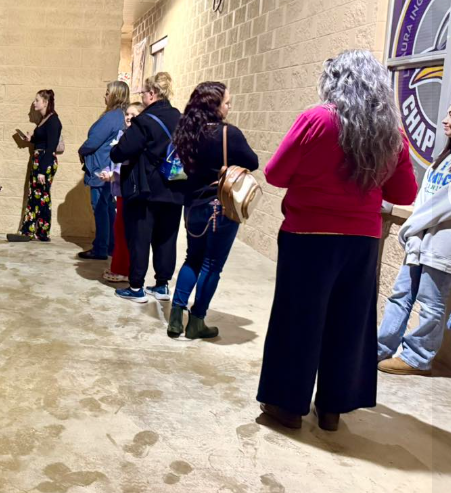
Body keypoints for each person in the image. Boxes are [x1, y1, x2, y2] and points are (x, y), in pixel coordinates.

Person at [257, 50, 417, 432]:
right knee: (349, 321)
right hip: (362, 240)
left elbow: (276, 173)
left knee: (299, 318)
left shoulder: (318, 119)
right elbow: (406, 191)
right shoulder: (390, 134)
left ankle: (287, 405)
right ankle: (333, 408)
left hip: (308, 236)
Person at [167, 82, 258, 339]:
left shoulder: (186, 132)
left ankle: (175, 317)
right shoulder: (229, 134)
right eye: (226, 102)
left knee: (192, 259)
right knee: (212, 264)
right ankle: (196, 321)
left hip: (192, 206)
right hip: (219, 207)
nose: (229, 107)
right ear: (214, 106)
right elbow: (253, 162)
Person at [377, 102, 451, 376]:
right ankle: (381, 347)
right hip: (420, 239)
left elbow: (444, 204)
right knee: (401, 294)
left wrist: (410, 227)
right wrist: (414, 231)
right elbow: (424, 197)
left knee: (432, 303)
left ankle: (418, 358)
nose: (444, 119)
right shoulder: (443, 156)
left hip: (442, 244)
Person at [111, 72, 184, 303]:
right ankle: (162, 285)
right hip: (175, 186)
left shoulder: (145, 120)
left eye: (143, 92)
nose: (142, 95)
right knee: (166, 238)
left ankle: (136, 288)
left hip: (147, 189)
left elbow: (122, 150)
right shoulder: (181, 118)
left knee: (140, 237)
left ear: (152, 94)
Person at [78, 81, 131, 260]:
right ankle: (110, 245)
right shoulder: (120, 116)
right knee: (108, 207)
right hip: (109, 167)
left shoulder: (112, 117)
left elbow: (93, 141)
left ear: (115, 95)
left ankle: (100, 248)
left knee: (100, 207)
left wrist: (81, 150)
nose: (105, 95)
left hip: (101, 168)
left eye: (108, 92)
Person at [9, 90, 63, 242]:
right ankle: (30, 230)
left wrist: (41, 171)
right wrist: (30, 139)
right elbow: (42, 141)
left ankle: (42, 232)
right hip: (39, 159)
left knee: (43, 196)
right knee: (35, 196)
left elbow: (51, 147)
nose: (34, 103)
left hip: (45, 161)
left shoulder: (53, 121)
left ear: (45, 102)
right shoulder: (44, 119)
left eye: (37, 100)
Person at [102, 102, 143, 282]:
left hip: (130, 190)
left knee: (123, 230)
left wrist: (113, 175)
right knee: (120, 229)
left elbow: (129, 164)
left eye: (133, 115)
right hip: (120, 190)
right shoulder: (123, 135)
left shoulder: (137, 138)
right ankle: (119, 267)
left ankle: (122, 270)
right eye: (127, 114)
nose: (128, 117)